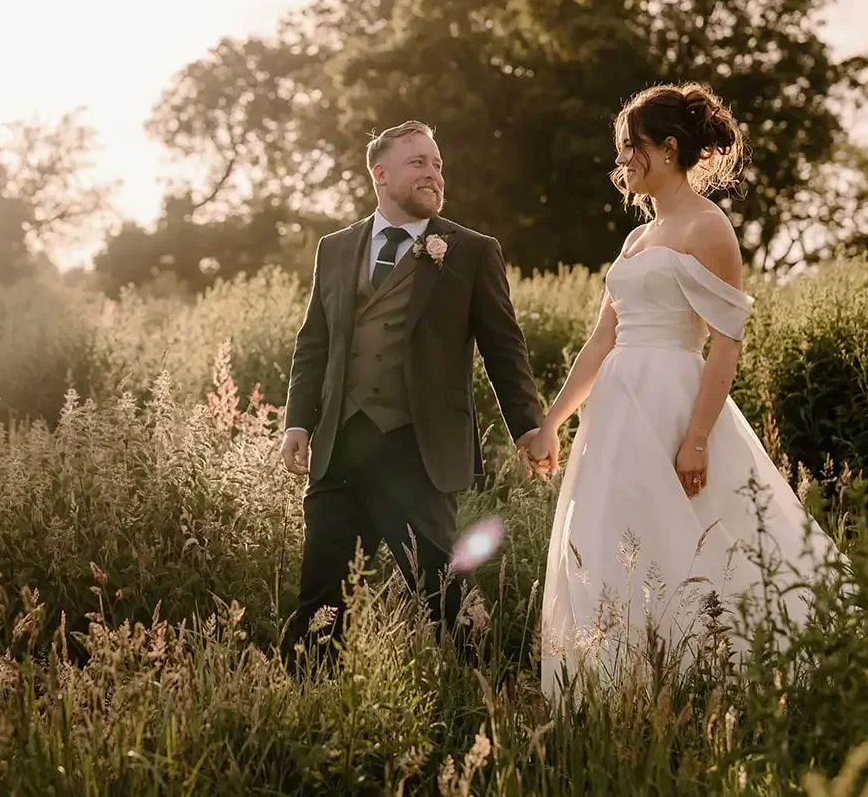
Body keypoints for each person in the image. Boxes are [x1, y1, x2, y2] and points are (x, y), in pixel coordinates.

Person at [525, 83, 837, 697]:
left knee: (697, 534)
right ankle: (618, 683)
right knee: (616, 536)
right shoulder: (637, 238)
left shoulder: (708, 228)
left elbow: (727, 343)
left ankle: (710, 677)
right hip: (616, 408)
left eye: (631, 148)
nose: (622, 162)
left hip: (673, 402)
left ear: (668, 149)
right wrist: (553, 419)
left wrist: (696, 439)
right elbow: (600, 341)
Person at [279, 119, 546, 667]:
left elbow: (504, 347)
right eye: (418, 162)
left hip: (419, 452)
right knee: (320, 599)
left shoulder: (472, 251)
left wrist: (528, 426)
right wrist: (298, 421)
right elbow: (315, 342)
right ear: (380, 174)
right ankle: (305, 712)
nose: (433, 173)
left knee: (444, 595)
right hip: (340, 451)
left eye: (438, 164)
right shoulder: (334, 249)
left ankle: (495, 699)